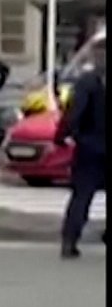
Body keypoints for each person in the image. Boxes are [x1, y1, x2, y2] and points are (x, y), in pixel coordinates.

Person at [55, 33, 105, 259]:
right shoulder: (89, 81)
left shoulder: (87, 81)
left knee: (82, 196)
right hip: (92, 145)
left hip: (90, 146)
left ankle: (69, 240)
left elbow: (74, 112)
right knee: (82, 197)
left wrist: (62, 136)